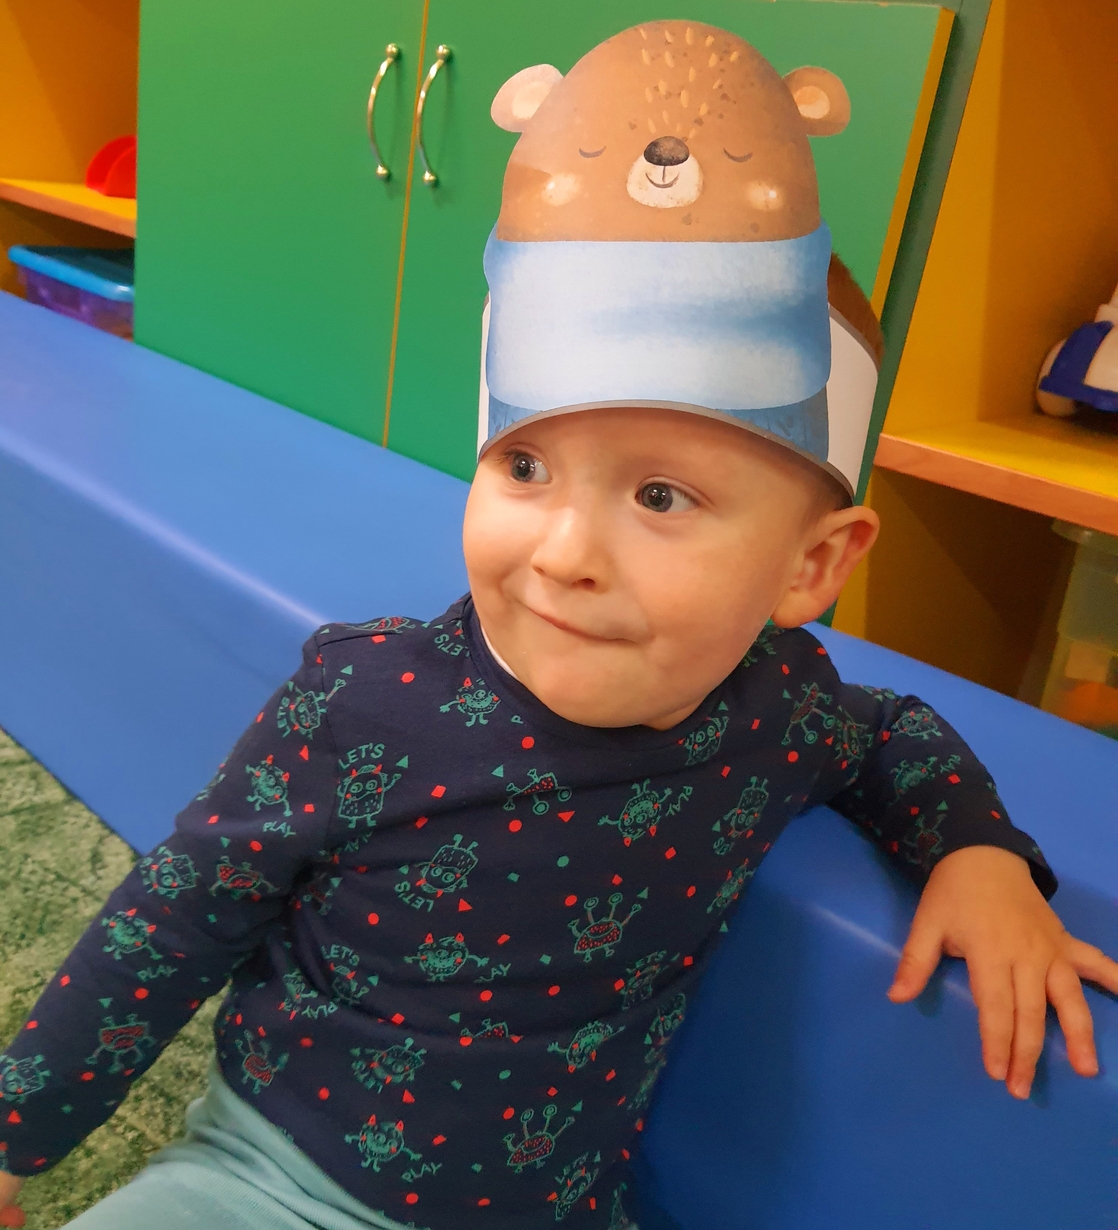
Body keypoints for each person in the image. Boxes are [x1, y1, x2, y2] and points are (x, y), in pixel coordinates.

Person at [2, 19, 1116, 1230]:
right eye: (524, 467)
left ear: (811, 566)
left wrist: (979, 855)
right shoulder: (363, 703)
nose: (564, 553)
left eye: (660, 498)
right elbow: (166, 928)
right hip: (273, 1182)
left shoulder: (778, 707)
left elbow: (889, 732)